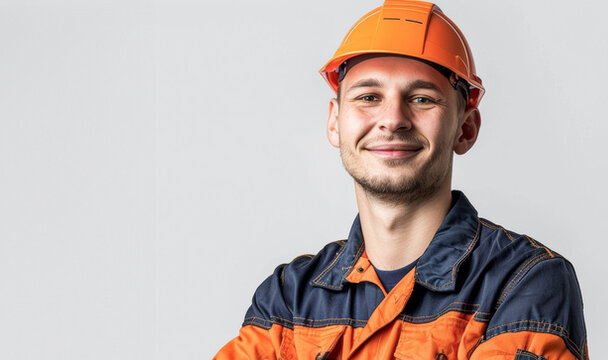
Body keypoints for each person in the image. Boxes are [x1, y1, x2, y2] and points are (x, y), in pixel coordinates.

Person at [213, 1, 587, 359]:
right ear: (335, 123)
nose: (393, 119)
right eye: (369, 96)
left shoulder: (522, 282)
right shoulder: (289, 297)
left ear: (466, 128)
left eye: (423, 99)